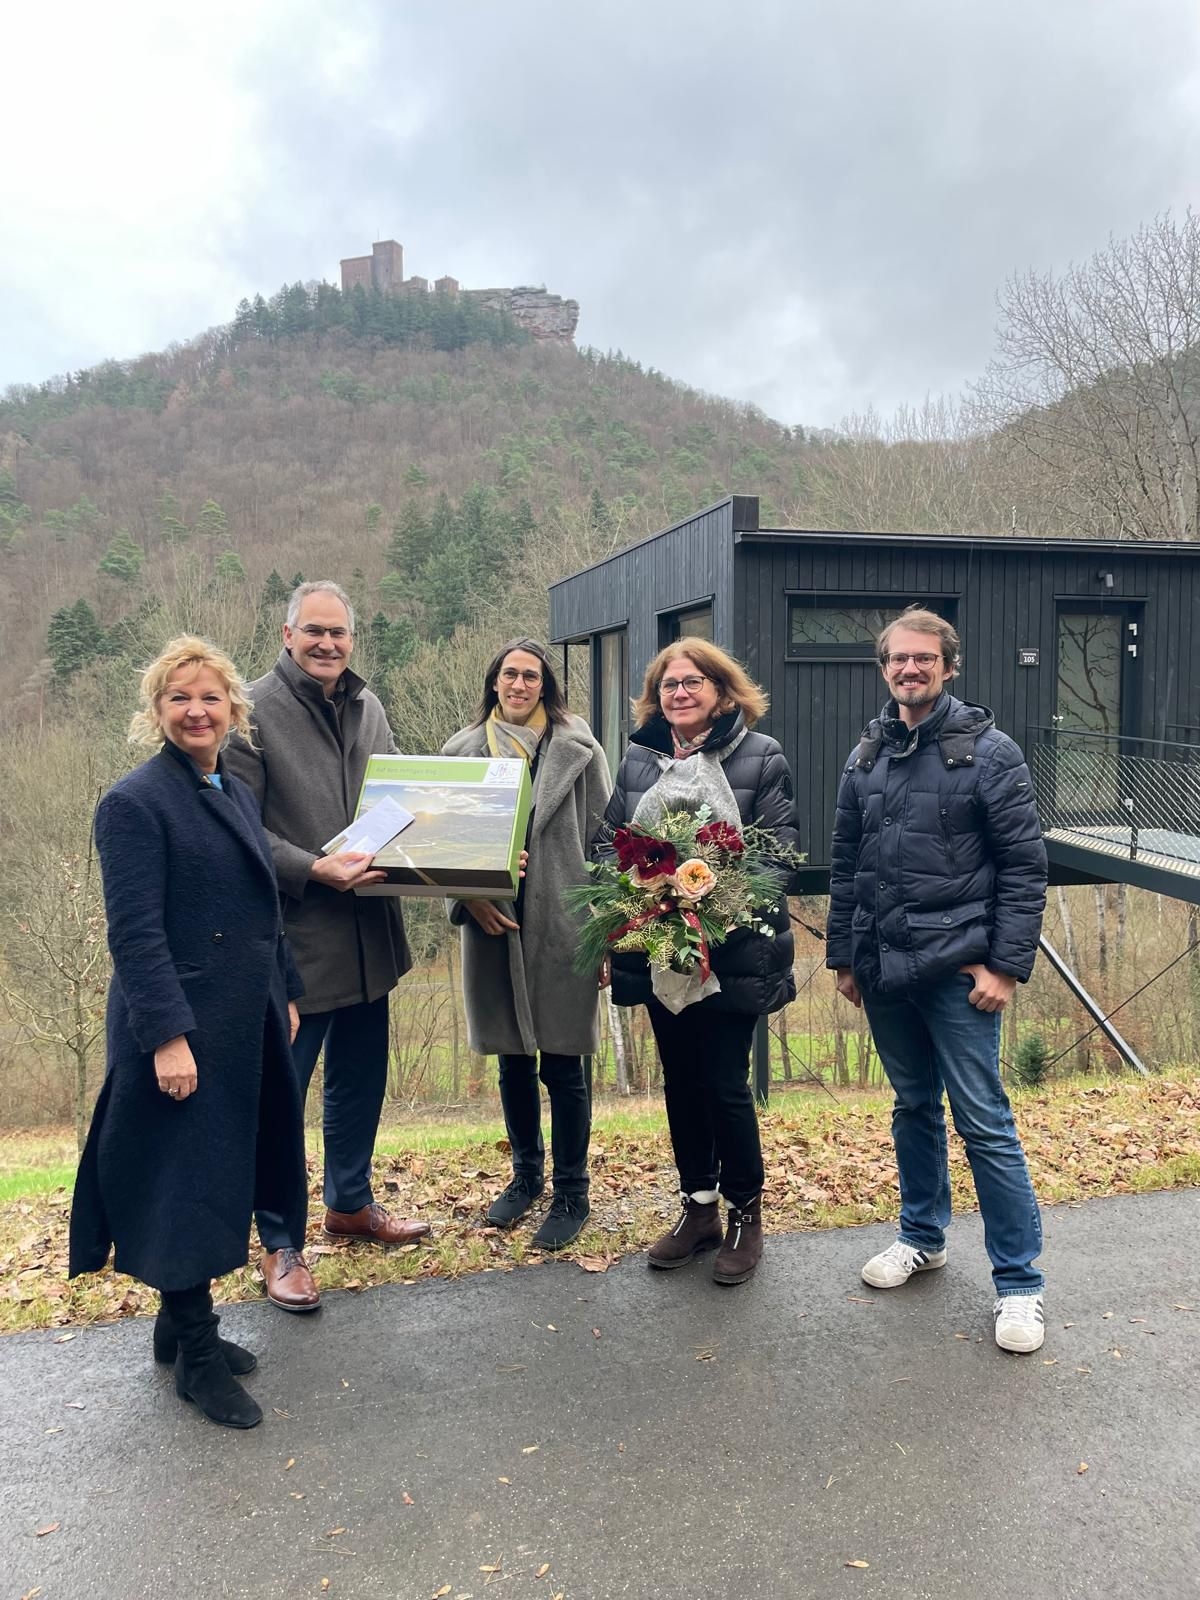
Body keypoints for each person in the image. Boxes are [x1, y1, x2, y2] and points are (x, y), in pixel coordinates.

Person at [69, 638, 309, 1429]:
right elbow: (135, 935)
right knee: (186, 1184)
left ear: (233, 709)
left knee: (218, 1173)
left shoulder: (229, 788)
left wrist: (288, 990)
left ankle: (176, 1329)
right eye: (180, 698)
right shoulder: (134, 803)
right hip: (179, 1025)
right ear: (157, 711)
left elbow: (261, 904)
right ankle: (197, 1358)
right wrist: (168, 1037)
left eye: (210, 697)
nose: (197, 711)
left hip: (244, 1016)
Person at [826, 606, 1048, 1353]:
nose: (910, 669)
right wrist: (844, 956)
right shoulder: (867, 754)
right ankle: (922, 1236)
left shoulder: (990, 753)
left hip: (959, 973)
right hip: (884, 967)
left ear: (949, 667)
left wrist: (1006, 967)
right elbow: (847, 862)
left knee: (983, 1122)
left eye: (924, 658)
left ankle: (1019, 1285)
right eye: (898, 658)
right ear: (884, 667)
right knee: (913, 1107)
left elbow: (1024, 867)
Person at [225, 580, 429, 1314]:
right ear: (287, 634)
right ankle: (280, 1242)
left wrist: (472, 861)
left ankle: (349, 1204)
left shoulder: (370, 707)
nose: (327, 643)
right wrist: (314, 868)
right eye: (313, 631)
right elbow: (239, 828)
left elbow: (404, 803)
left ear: (351, 639)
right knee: (282, 1098)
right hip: (297, 942)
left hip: (370, 935)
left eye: (338, 632)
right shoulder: (249, 714)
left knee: (358, 1083)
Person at [596, 638, 799, 1285]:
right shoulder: (639, 760)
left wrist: (713, 906)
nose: (679, 693)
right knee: (681, 1083)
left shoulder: (760, 756)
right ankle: (699, 1209)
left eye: (692, 682)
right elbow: (607, 844)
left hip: (731, 952)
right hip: (661, 950)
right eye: (668, 685)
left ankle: (746, 1214)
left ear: (721, 690)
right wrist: (642, 903)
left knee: (724, 1084)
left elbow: (777, 855)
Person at [441, 638, 611, 1250]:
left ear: (546, 685)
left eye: (530, 676)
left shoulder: (579, 749)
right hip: (493, 927)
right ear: (494, 681)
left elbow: (606, 842)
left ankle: (572, 1191)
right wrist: (467, 898)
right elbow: (440, 844)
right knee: (512, 1060)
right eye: (509, 674)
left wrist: (607, 933)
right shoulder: (461, 751)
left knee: (564, 1063)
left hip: (566, 925)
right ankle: (526, 1178)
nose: (518, 685)